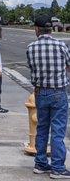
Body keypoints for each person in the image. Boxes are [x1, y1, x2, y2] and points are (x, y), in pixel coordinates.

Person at [26, 15, 70, 178]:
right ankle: (58, 168)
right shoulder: (61, 45)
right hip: (58, 92)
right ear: (51, 29)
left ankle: (41, 164)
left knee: (42, 128)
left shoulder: (31, 48)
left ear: (37, 29)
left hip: (40, 92)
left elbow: (32, 67)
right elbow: (69, 66)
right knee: (58, 130)